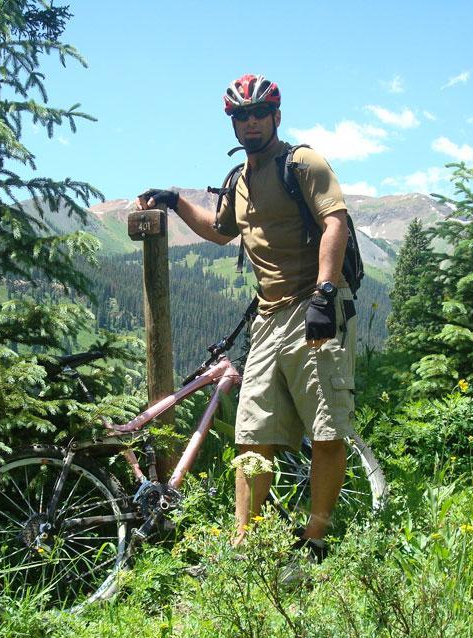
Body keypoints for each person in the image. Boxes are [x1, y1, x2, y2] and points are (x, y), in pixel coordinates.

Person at [136, 74, 356, 561]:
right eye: (241, 115)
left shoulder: (302, 163)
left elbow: (335, 221)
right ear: (233, 123)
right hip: (268, 317)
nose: (250, 122)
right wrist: (174, 200)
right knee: (252, 435)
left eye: (259, 113)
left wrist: (324, 292)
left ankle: (315, 538)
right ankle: (246, 546)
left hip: (313, 305)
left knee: (325, 429)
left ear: (276, 116)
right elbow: (218, 231)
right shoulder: (240, 181)